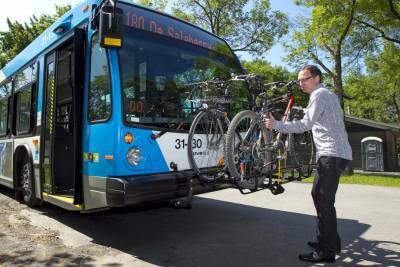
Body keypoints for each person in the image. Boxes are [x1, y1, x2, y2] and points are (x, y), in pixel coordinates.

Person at [266, 65, 352, 263]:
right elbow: (314, 118)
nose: (300, 83)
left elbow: (306, 124)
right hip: (335, 153)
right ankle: (330, 241)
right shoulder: (326, 95)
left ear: (317, 78)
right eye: (299, 80)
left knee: (322, 200)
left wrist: (276, 124)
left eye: (304, 79)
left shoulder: (319, 94)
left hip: (332, 153)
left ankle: (326, 251)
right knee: (323, 199)